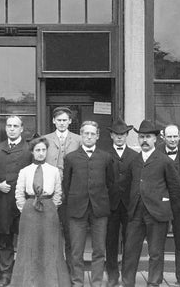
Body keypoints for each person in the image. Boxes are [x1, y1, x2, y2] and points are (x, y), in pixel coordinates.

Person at [121, 120, 180, 287]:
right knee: (130, 251)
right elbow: (127, 187)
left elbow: (175, 190)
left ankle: (154, 282)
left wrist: (168, 211)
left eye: (148, 137)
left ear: (156, 139)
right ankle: (127, 282)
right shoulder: (134, 161)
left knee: (155, 252)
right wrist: (131, 206)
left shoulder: (164, 161)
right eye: (141, 137)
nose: (144, 140)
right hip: (135, 213)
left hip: (157, 213)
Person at [11, 136, 71, 287]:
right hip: (29, 211)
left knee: (50, 245)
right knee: (29, 245)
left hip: (49, 209)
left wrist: (52, 207)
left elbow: (58, 192)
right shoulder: (25, 171)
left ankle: (50, 281)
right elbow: (19, 193)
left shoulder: (54, 171)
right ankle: (29, 281)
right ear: (32, 152)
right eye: (37, 150)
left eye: (43, 150)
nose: (41, 153)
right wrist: (26, 208)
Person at [63, 120, 114, 287]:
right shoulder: (70, 158)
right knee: (76, 251)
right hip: (77, 209)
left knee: (99, 250)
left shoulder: (106, 157)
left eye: (93, 134)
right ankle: (77, 282)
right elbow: (66, 184)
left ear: (97, 136)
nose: (89, 137)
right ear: (81, 135)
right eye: (86, 133)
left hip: (99, 210)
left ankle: (97, 282)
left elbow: (110, 183)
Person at [0, 115, 33, 286]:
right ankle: (6, 272)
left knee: (25, 237)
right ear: (6, 128)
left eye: (15, 126)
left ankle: (24, 273)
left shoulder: (29, 148)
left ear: (22, 128)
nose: (12, 128)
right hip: (3, 200)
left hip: (24, 202)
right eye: (9, 126)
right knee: (4, 238)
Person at [43, 106, 82, 273]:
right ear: (53, 121)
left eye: (65, 120)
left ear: (70, 121)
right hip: (50, 192)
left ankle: (71, 272)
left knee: (70, 232)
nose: (62, 123)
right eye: (59, 120)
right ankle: (51, 270)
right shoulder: (45, 139)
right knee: (50, 232)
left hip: (71, 191)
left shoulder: (79, 139)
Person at [157, 124, 180, 287]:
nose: (172, 140)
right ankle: (157, 276)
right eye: (169, 137)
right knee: (158, 241)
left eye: (175, 136)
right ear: (163, 137)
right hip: (162, 204)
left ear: (179, 137)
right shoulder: (156, 155)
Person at [105, 117, 137, 287]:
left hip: (129, 205)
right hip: (110, 205)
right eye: (116, 134)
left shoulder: (134, 155)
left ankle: (127, 275)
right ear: (111, 135)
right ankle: (112, 275)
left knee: (129, 241)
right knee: (110, 241)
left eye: (122, 134)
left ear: (127, 135)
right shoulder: (103, 154)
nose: (119, 137)